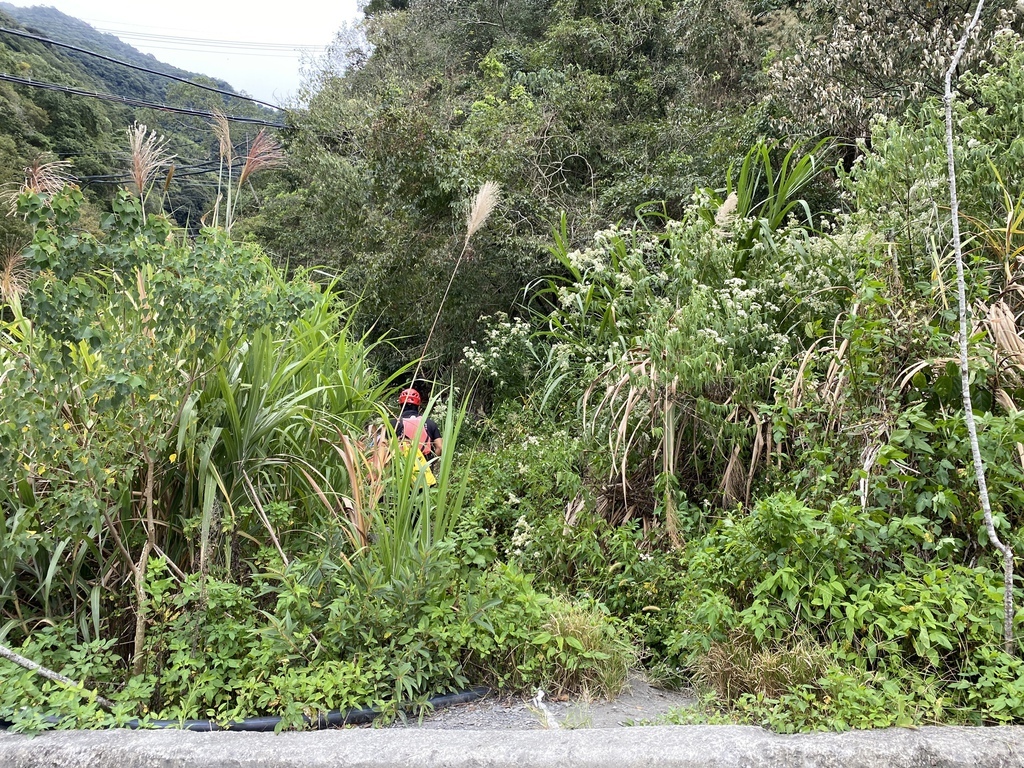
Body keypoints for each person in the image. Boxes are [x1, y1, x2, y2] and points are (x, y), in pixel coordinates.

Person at [393, 387, 442, 462]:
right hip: (424, 468)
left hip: (401, 467)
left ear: (400, 405)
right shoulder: (430, 423)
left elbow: (383, 447)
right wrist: (431, 462)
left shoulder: (393, 423)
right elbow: (440, 447)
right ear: (418, 406)